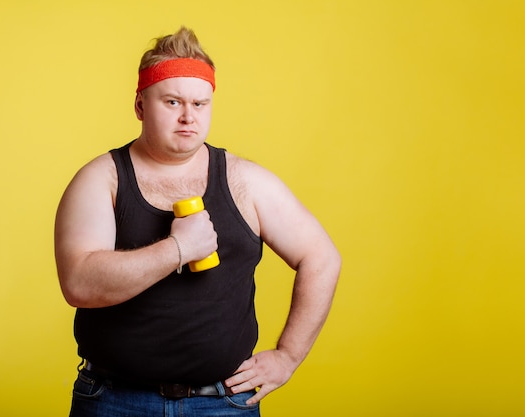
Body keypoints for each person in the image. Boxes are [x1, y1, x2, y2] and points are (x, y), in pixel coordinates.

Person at [54, 26, 341, 417]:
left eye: (200, 104)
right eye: (172, 102)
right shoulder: (102, 179)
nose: (188, 116)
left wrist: (288, 356)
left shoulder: (246, 181)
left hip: (223, 403)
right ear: (140, 106)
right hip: (115, 400)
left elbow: (322, 258)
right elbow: (79, 284)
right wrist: (178, 249)